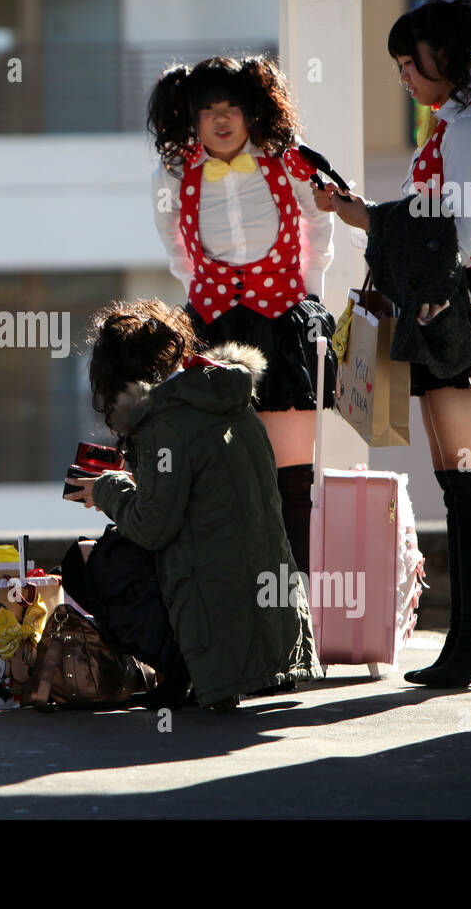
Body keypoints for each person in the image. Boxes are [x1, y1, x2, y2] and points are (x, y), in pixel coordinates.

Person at [314, 0, 471, 689]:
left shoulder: (467, 128)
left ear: (446, 59)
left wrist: (367, 217)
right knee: (458, 478)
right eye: (400, 63)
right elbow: (433, 227)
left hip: (452, 311)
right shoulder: (453, 122)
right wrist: (365, 215)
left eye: (411, 62)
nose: (405, 74)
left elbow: (455, 236)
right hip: (438, 309)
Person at [65, 299, 321, 709]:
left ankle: (183, 667)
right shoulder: (225, 398)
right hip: (276, 629)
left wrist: (105, 490)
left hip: (217, 622)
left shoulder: (164, 425)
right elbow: (209, 496)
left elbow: (153, 527)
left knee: (86, 562)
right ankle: (205, 670)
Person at [147, 55, 336, 577]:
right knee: (223, 477)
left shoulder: (286, 159)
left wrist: (309, 293)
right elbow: (171, 238)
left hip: (283, 323)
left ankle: (296, 614)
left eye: (232, 108)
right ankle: (241, 611)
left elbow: (319, 221)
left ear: (253, 111)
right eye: (208, 111)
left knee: (294, 479)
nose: (222, 120)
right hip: (211, 328)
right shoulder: (174, 172)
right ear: (191, 116)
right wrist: (201, 292)